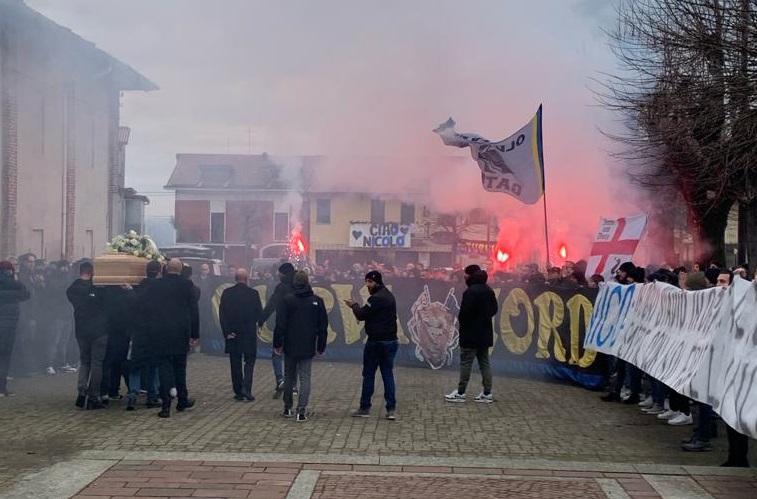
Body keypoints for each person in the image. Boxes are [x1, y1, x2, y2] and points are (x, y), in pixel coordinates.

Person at [139, 258, 200, 418]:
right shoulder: (187, 285)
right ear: (180, 270)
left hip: (160, 332)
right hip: (180, 331)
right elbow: (194, 310)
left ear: (165, 269)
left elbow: (144, 305)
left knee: (164, 368)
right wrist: (195, 334)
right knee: (180, 367)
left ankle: (165, 405)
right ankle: (182, 400)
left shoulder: (156, 285)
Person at [273, 271, 328, 421]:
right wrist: (321, 346)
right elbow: (323, 326)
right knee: (305, 377)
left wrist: (277, 343)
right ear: (308, 281)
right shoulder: (317, 301)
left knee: (289, 376)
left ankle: (287, 408)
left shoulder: (287, 300)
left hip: (290, 343)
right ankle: (301, 411)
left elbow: (280, 323)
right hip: (308, 344)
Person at [345, 270, 398, 420]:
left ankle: (364, 407)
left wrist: (354, 305)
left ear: (377, 282)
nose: (368, 285)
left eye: (370, 282)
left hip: (376, 342)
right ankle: (391, 409)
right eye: (367, 282)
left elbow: (361, 315)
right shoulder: (388, 295)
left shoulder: (375, 298)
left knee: (369, 374)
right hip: (390, 341)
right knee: (388, 374)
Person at [445, 266, 498, 403]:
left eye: (465, 275)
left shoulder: (470, 292)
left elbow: (464, 313)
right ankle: (487, 393)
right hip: (485, 333)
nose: (464, 277)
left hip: (470, 334)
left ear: (470, 276)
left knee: (466, 363)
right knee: (484, 363)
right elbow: (494, 310)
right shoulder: (489, 290)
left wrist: (464, 321)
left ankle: (461, 393)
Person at [66, 261, 109, 410]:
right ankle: (93, 396)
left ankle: (82, 390)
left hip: (82, 330)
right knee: (97, 363)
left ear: (80, 272)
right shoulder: (99, 289)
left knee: (84, 362)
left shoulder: (72, 289)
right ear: (92, 272)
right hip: (99, 330)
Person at [219, 269, 262, 401]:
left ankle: (238, 390)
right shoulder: (253, 293)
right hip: (248, 332)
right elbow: (258, 313)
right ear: (247, 278)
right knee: (249, 360)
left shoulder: (227, 293)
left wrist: (227, 331)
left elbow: (222, 314)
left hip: (233, 332)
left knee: (235, 360)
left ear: (235, 278)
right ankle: (246, 388)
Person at [126, 260, 162, 411]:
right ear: (159, 271)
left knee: (136, 365)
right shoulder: (160, 288)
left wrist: (129, 290)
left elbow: (133, 305)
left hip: (139, 332)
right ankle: (152, 397)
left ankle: (133, 395)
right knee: (153, 366)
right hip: (155, 331)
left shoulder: (138, 287)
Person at [258, 262, 296, 398]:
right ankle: (293, 384)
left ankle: (280, 380)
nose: (277, 275)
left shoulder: (281, 287)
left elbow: (272, 304)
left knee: (277, 352)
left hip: (281, 324)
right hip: (297, 326)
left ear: (283, 273)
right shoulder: (301, 286)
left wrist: (261, 319)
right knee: (292, 355)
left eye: (279, 273)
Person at [0, 261, 31, 397]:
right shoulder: (16, 284)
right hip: (9, 324)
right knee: (5, 357)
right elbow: (26, 294)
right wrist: (17, 281)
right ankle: (2, 387)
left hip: (6, 322)